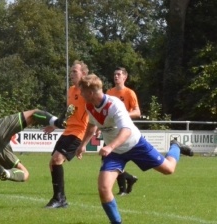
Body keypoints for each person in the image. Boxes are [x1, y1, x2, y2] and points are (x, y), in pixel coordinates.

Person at [75, 74, 193, 224]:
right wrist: (82, 144)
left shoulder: (114, 104)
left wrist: (110, 146)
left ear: (90, 92)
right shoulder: (90, 106)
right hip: (116, 152)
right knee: (104, 188)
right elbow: (92, 126)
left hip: (135, 144)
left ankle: (175, 146)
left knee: (169, 169)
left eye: (82, 91)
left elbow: (126, 131)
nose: (80, 94)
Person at [41, 60, 90, 208]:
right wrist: (55, 125)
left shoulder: (87, 91)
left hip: (79, 132)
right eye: (71, 71)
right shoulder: (70, 90)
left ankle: (59, 199)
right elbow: (68, 112)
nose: (72, 74)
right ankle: (60, 199)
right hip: (68, 130)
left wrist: (86, 141)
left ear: (83, 74)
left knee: (57, 159)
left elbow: (94, 110)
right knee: (52, 163)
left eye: (75, 71)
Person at [106, 67, 140, 196]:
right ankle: (128, 180)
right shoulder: (109, 92)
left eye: (119, 74)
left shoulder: (129, 93)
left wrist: (124, 115)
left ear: (125, 77)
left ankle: (124, 187)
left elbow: (138, 112)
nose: (116, 76)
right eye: (115, 74)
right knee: (109, 158)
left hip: (124, 131)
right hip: (111, 131)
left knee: (112, 157)